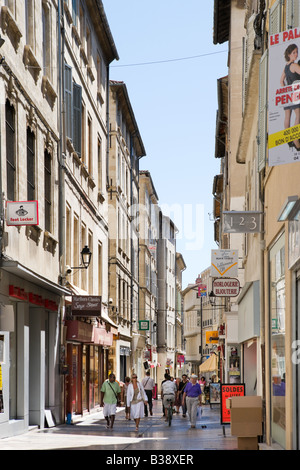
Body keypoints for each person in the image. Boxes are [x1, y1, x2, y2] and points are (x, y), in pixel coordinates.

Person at [280, 44, 300, 150]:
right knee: (298, 116)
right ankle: (295, 139)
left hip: (288, 95)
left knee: (287, 116)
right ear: (289, 54)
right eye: (294, 52)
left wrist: (286, 91)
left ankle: (288, 140)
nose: (296, 54)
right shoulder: (294, 66)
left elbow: (281, 80)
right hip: (296, 94)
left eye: (297, 52)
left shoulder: (286, 67)